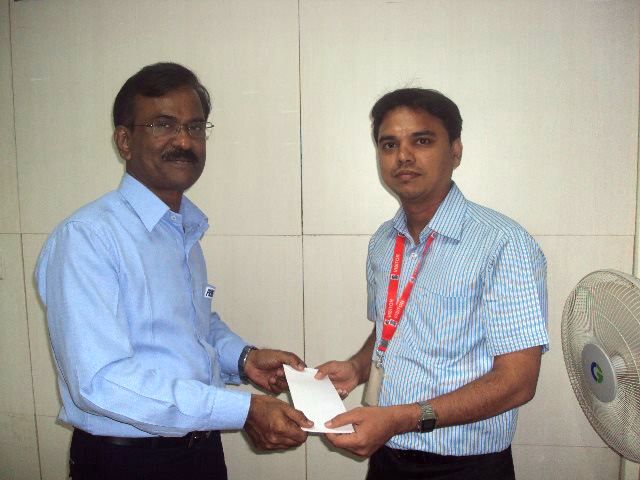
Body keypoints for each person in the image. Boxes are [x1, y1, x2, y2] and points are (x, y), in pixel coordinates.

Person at [35, 62, 312, 480]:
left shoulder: (182, 231)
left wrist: (244, 359)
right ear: (125, 141)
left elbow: (191, 328)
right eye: (163, 125)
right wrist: (242, 409)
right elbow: (100, 382)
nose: (184, 140)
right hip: (127, 462)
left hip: (200, 452)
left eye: (195, 127)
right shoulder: (88, 238)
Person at [316, 88, 548, 480]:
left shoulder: (502, 243)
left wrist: (403, 418)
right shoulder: (383, 241)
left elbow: (518, 382)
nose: (403, 156)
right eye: (389, 144)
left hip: (465, 466)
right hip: (388, 454)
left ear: (455, 151)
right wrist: (356, 368)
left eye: (421, 141)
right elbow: (391, 328)